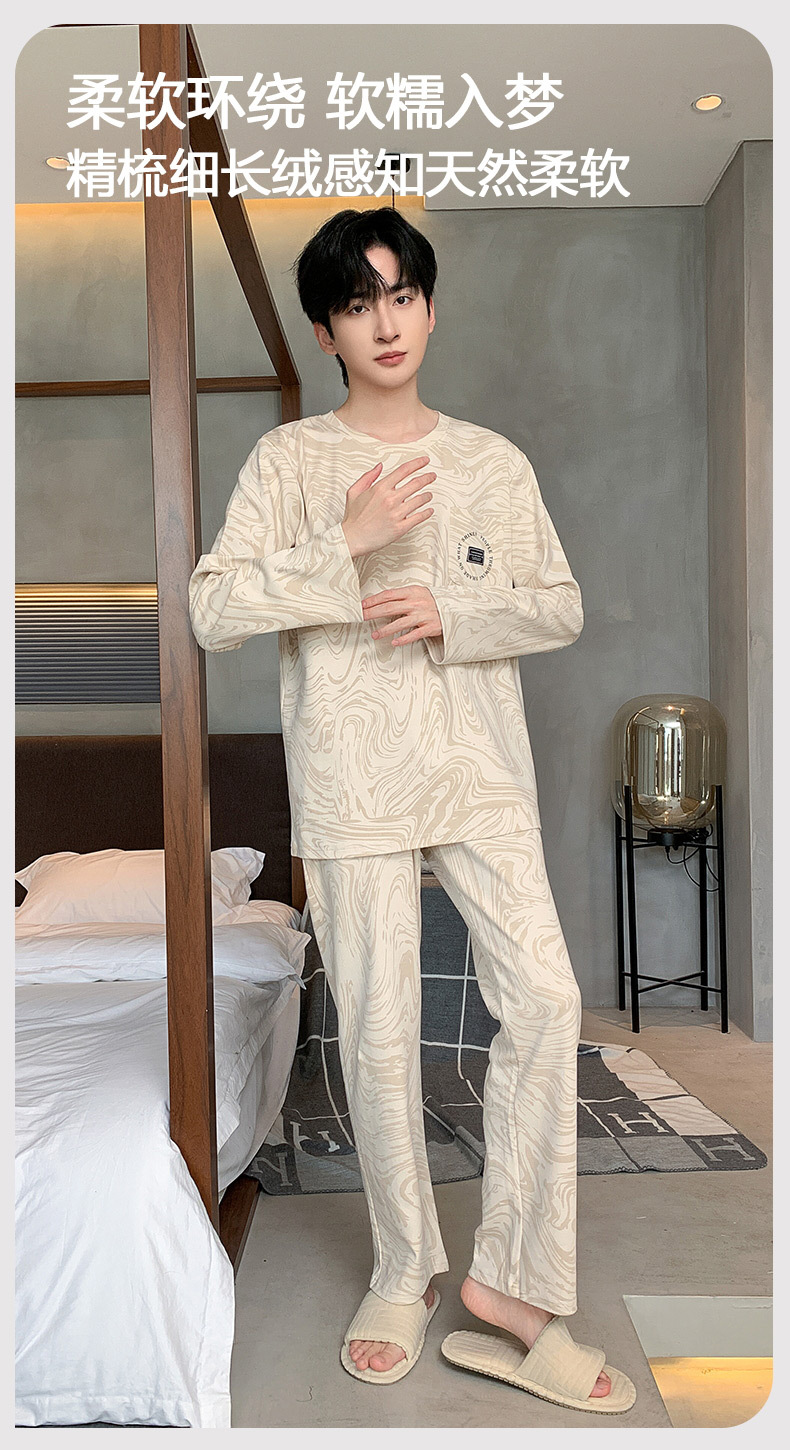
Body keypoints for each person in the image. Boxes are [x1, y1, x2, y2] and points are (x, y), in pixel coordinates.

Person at [188, 207, 635, 1414]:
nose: (384, 322)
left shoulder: (492, 461)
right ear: (325, 331)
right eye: (356, 303)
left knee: (543, 998)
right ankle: (404, 1268)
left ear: (429, 309)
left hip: (479, 767)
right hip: (350, 776)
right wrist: (346, 540)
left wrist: (452, 609)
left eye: (401, 295)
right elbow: (213, 608)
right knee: (378, 1028)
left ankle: (511, 1281)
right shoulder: (289, 462)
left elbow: (558, 604)